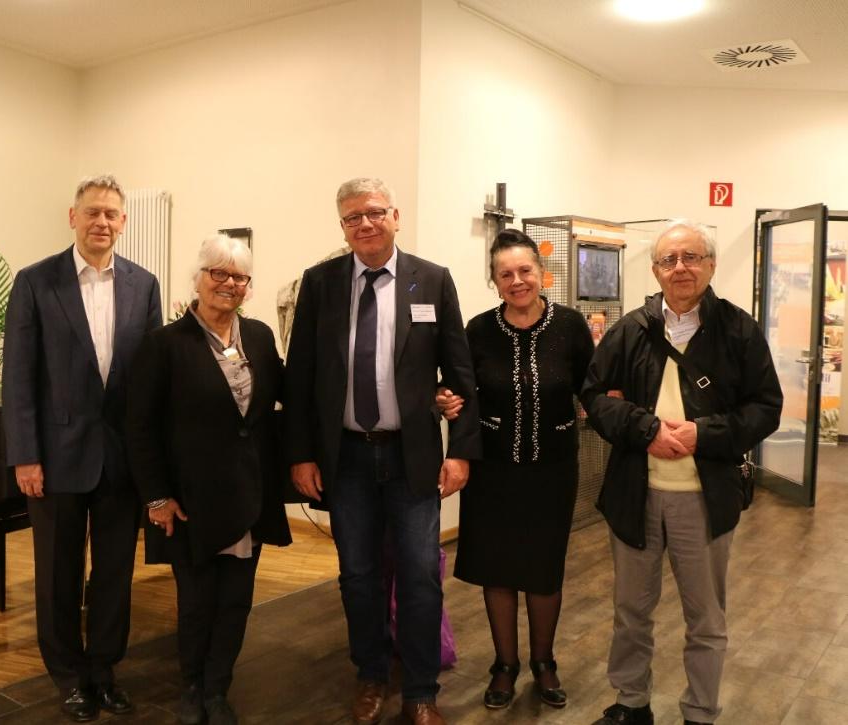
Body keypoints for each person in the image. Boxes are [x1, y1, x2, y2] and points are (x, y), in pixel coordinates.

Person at [284, 177, 481, 725]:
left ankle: (420, 690)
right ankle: (370, 675)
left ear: (395, 216)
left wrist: (461, 451)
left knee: (420, 574)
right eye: (353, 217)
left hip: (410, 457)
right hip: (345, 458)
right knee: (358, 574)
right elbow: (300, 375)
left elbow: (459, 373)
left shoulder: (432, 280)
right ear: (342, 227)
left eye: (374, 212)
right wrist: (301, 453)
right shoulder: (320, 283)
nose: (365, 224)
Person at [580, 220, 782, 725]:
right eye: (669, 260)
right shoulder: (630, 330)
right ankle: (631, 704)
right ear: (655, 270)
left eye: (691, 257)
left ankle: (700, 712)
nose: (680, 268)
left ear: (710, 265)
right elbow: (594, 396)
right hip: (636, 494)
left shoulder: (738, 330)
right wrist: (645, 428)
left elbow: (766, 407)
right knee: (631, 611)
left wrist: (703, 434)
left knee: (706, 617)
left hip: (705, 500)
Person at [2, 175, 162, 722]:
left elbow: (149, 379)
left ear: (123, 222)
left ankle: (104, 671)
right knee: (58, 576)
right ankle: (69, 677)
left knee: (115, 574)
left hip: (120, 460)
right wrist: (25, 455)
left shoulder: (144, 285)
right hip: (54, 457)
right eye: (92, 212)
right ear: (73, 217)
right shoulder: (35, 282)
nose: (102, 222)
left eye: (111, 214)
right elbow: (18, 378)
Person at [125, 235, 292, 725]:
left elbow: (287, 394)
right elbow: (139, 428)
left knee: (236, 600)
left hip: (248, 494)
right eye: (218, 273)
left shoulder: (259, 336)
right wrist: (157, 496)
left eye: (239, 276)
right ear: (197, 279)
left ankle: (219, 689)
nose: (229, 284)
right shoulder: (164, 344)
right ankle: (192, 687)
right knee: (196, 601)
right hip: (191, 499)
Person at [440, 228, 593, 711]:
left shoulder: (570, 326)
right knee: (499, 569)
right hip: (493, 472)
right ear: (494, 281)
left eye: (525, 270)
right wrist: (445, 399)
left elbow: (593, 387)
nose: (517, 280)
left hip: (553, 469)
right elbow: (458, 388)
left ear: (541, 273)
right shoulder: (478, 330)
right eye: (505, 274)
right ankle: (504, 665)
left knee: (544, 570)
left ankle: (544, 662)